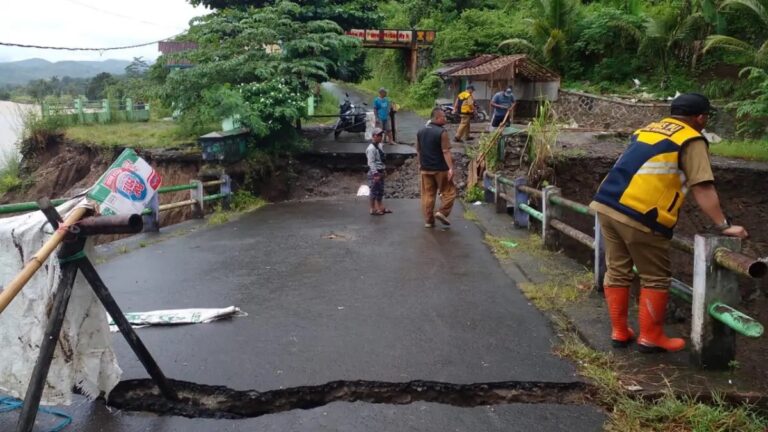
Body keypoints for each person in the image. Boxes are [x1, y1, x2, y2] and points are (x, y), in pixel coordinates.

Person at [589, 92, 749, 353]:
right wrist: (724, 225)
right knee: (655, 278)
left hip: (606, 204)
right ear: (700, 117)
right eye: (706, 117)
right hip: (642, 213)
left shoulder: (648, 130)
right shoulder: (691, 139)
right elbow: (703, 188)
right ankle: (651, 338)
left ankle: (620, 331)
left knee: (618, 270)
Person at [417, 108, 457, 228]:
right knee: (449, 192)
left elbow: (418, 151)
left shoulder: (420, 131)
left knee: (428, 195)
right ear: (437, 118)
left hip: (425, 168)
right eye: (443, 117)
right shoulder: (441, 132)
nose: (445, 119)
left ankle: (429, 220)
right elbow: (446, 151)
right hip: (440, 168)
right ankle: (442, 212)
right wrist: (451, 168)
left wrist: (420, 164)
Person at [366, 128, 391, 215]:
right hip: (375, 172)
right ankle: (372, 208)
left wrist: (384, 170)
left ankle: (380, 206)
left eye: (381, 135)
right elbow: (371, 162)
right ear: (373, 136)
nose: (380, 137)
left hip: (381, 170)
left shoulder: (380, 146)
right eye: (378, 136)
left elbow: (382, 159)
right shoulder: (371, 149)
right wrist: (375, 174)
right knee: (374, 191)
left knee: (380, 190)